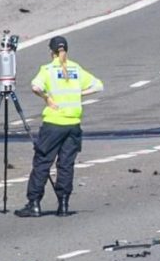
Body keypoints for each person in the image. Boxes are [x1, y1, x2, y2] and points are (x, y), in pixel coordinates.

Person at [14, 36, 103, 217]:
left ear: (51, 52)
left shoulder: (48, 69)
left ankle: (34, 203)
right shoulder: (75, 68)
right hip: (73, 125)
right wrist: (79, 93)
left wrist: (47, 98)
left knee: (42, 162)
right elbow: (98, 86)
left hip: (53, 124)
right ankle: (63, 204)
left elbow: (36, 87)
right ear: (66, 50)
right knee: (66, 164)